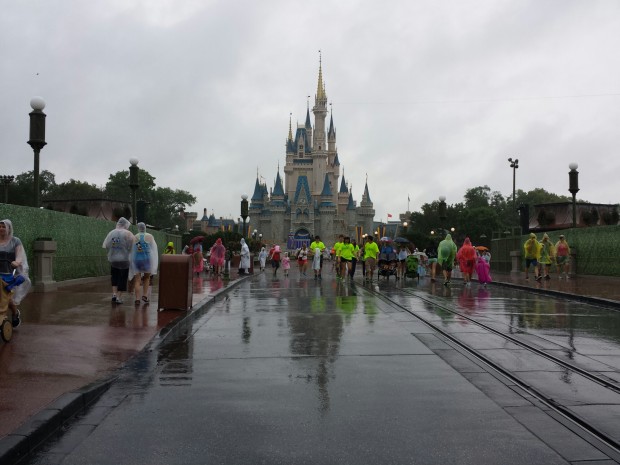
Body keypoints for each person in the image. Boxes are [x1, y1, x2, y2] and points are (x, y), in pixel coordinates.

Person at [0, 219, 32, 328]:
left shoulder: (15, 241)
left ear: (9, 228)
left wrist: (17, 261)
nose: (1, 228)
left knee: (8, 299)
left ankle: (14, 313)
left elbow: (19, 255)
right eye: (0, 226)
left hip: (8, 275)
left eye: (4, 226)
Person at [102, 217, 134, 304]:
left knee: (114, 277)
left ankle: (114, 294)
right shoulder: (128, 234)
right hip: (124, 260)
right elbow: (133, 245)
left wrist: (113, 251)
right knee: (123, 278)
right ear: (126, 225)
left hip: (113, 259)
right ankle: (119, 298)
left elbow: (106, 245)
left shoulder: (111, 233)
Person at [130, 222, 159, 304]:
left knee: (137, 280)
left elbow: (132, 250)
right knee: (147, 278)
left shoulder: (135, 237)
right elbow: (154, 250)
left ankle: (137, 299)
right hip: (147, 260)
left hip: (137, 260)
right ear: (145, 227)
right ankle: (145, 295)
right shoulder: (150, 236)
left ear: (138, 228)